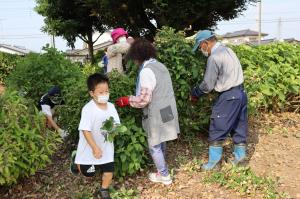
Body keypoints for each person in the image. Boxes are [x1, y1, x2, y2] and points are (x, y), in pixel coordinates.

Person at [115, 38, 180, 185]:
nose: (135, 62)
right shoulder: (160, 66)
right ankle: (161, 170)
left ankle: (164, 175)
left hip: (156, 112)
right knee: (162, 139)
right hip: (167, 109)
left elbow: (144, 100)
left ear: (138, 56)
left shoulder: (146, 71)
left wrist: (127, 100)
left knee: (154, 144)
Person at [190, 30, 248, 170]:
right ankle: (240, 160)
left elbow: (208, 85)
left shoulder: (214, 57)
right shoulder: (228, 50)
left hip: (228, 96)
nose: (201, 50)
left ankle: (214, 164)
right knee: (238, 127)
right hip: (241, 93)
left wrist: (195, 93)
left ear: (205, 43)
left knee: (218, 126)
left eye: (200, 47)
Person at [70, 73, 119, 199]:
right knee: (88, 174)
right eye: (101, 92)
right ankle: (76, 160)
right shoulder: (88, 109)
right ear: (92, 93)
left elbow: (116, 124)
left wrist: (114, 130)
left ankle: (104, 190)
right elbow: (86, 130)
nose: (105, 94)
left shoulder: (112, 107)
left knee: (109, 170)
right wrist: (94, 148)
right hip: (90, 145)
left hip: (106, 146)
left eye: (106, 91)